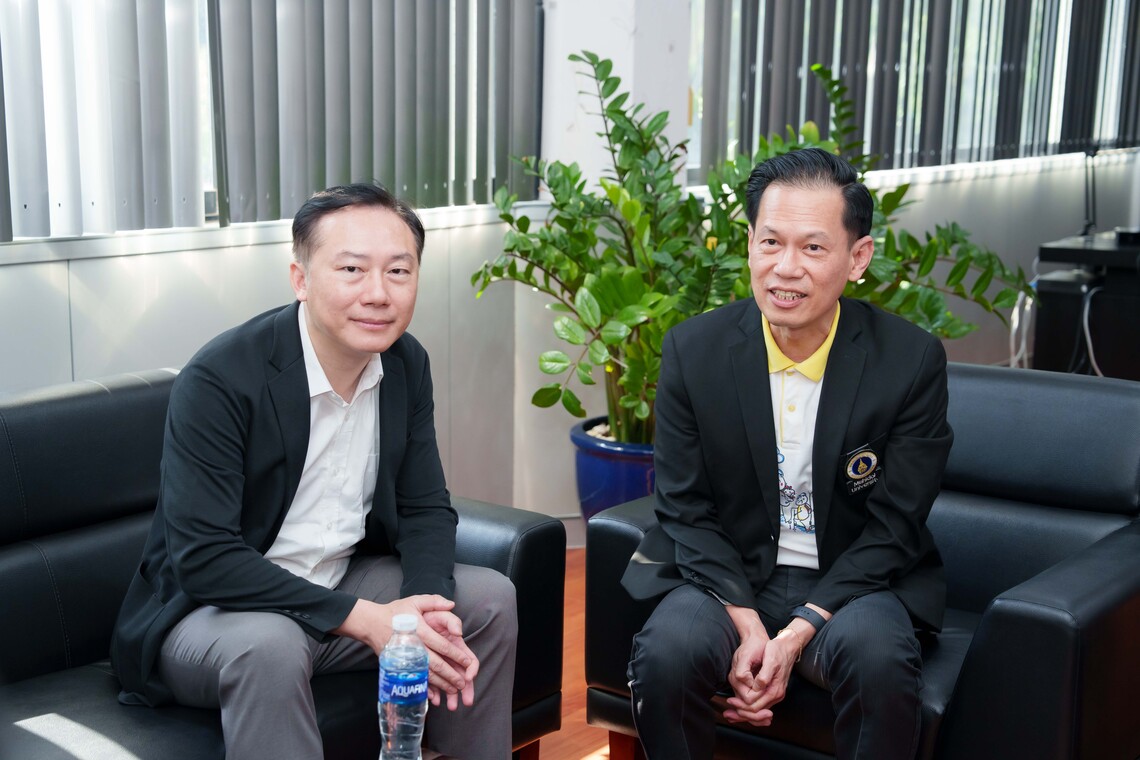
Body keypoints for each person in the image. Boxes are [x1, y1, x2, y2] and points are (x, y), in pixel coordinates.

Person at [111, 183, 517, 760]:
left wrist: (421, 612)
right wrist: (365, 620)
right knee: (271, 644)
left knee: (487, 600)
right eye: (352, 269)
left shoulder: (406, 363)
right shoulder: (221, 379)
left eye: (398, 271)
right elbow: (205, 559)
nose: (378, 293)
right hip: (217, 613)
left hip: (339, 580)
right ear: (300, 279)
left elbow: (425, 506)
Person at [622, 147, 953, 760]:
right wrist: (749, 625)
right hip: (730, 573)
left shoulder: (908, 363)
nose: (786, 268)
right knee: (668, 653)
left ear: (858, 258)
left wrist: (797, 633)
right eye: (771, 242)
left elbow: (895, 524)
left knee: (878, 660)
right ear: (749, 244)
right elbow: (684, 507)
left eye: (814, 247)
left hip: (851, 580)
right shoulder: (694, 352)